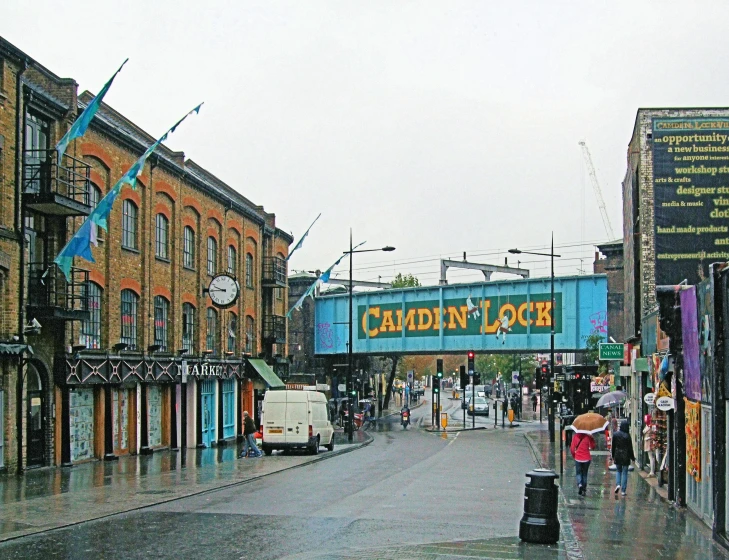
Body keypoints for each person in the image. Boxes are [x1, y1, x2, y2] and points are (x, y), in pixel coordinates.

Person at [612, 420, 636, 496]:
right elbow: (630, 448)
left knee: (618, 471)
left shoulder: (615, 435)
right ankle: (623, 491)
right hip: (626, 456)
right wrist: (633, 458)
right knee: (625, 473)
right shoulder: (627, 436)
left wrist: (613, 455)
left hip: (618, 455)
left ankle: (618, 484)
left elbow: (613, 446)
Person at [570, 431, 596, 496]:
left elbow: (572, 449)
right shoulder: (588, 437)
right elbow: (593, 447)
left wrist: (574, 456)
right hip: (586, 458)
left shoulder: (576, 436)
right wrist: (592, 439)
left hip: (578, 458)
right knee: (585, 474)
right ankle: (584, 489)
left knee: (578, 473)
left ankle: (580, 484)